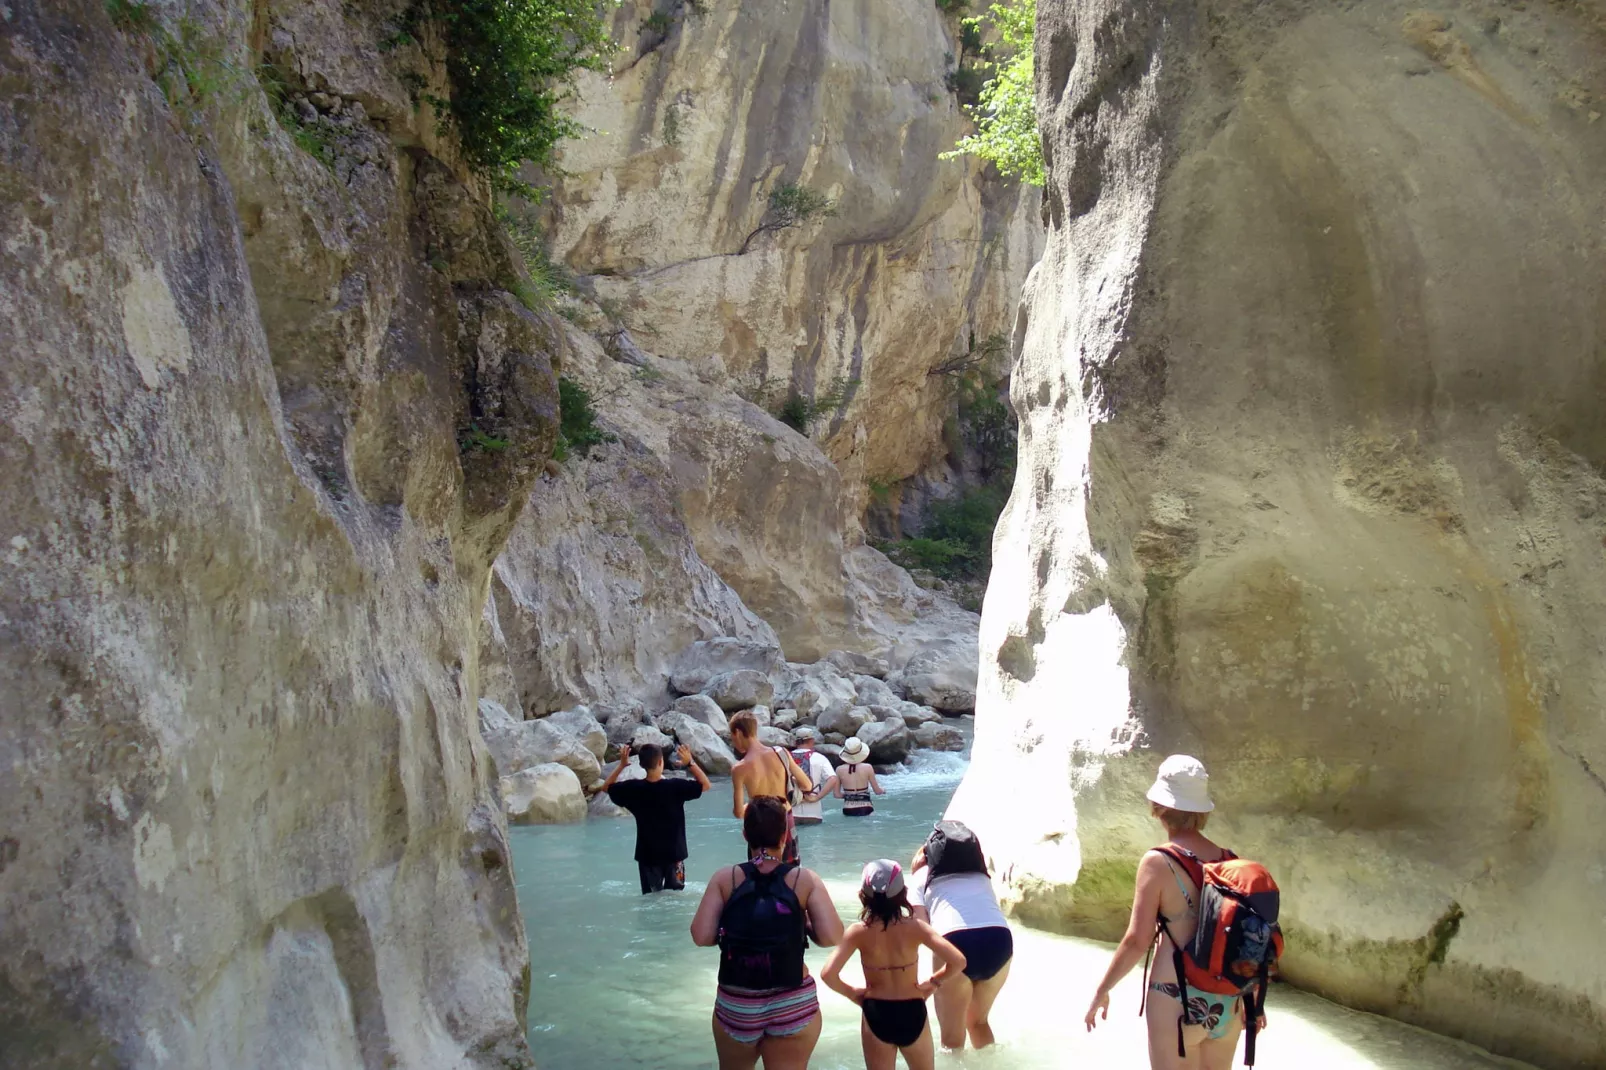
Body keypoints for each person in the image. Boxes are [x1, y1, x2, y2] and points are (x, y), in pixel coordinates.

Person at [1082, 754, 1264, 1069]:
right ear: (1201, 811)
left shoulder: (1157, 862)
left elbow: (1137, 940)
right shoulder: (1230, 861)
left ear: (1160, 807)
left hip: (1175, 996)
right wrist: (1256, 1002)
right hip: (1230, 1000)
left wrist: (1103, 989)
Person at [691, 796, 846, 1069]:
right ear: (784, 835)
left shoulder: (725, 878)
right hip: (793, 1000)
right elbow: (833, 936)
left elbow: (701, 936)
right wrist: (804, 926)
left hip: (738, 1003)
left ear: (744, 835)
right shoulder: (804, 879)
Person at [819, 859, 968, 1070]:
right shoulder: (916, 928)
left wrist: (854, 994)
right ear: (902, 893)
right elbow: (958, 961)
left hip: (876, 1011)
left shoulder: (858, 932)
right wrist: (932, 984)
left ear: (863, 895)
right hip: (912, 1008)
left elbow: (828, 974)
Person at [907, 820, 1012, 1050]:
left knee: (952, 1040)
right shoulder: (982, 876)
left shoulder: (921, 876)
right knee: (978, 1022)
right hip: (1000, 941)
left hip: (955, 942)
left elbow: (921, 929)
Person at [601, 743, 712, 894]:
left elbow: (606, 787)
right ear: (661, 762)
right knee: (675, 897)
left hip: (647, 857)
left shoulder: (633, 789)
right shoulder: (676, 787)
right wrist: (690, 763)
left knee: (651, 897)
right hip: (675, 856)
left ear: (641, 765)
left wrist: (622, 765)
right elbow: (705, 784)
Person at [729, 710, 813, 863]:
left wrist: (753, 804)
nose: (733, 742)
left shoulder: (739, 769)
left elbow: (738, 812)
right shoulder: (781, 753)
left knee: (760, 873)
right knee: (790, 873)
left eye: (732, 737)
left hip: (759, 826)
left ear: (739, 732)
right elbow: (807, 785)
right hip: (784, 820)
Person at [790, 729, 838, 827]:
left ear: (796, 742)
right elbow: (833, 779)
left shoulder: (786, 758)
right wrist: (817, 797)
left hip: (791, 811)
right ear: (812, 740)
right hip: (813, 812)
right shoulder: (820, 758)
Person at [832, 737, 884, 817]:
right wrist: (883, 790)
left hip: (847, 809)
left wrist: (849, 796)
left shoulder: (839, 769)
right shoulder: (868, 767)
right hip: (866, 807)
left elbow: (836, 795)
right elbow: (877, 791)